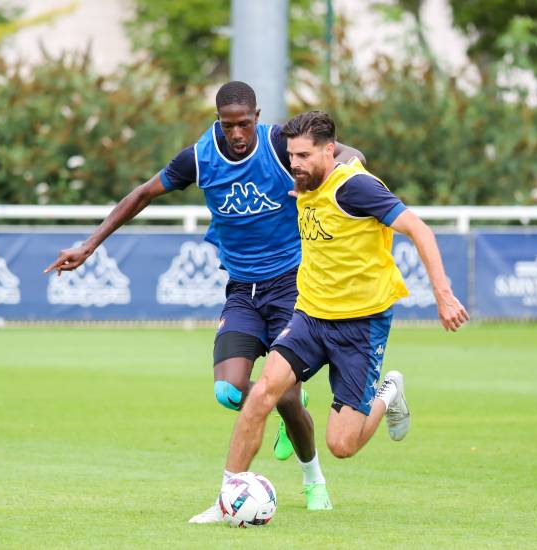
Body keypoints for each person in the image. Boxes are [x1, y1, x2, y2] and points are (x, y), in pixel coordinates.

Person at [44, 82, 365, 523]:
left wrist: (339, 181)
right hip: (241, 291)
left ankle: (313, 481)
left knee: (283, 391)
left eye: (244, 123)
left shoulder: (276, 144)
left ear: (257, 115)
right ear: (219, 120)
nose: (237, 134)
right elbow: (142, 193)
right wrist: (90, 244)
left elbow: (346, 154)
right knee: (229, 391)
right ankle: (284, 404)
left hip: (293, 285)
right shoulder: (199, 157)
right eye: (228, 125)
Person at [223, 111, 469, 486]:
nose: (295, 164)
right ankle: (228, 495)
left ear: (329, 151)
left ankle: (388, 392)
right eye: (291, 155)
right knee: (261, 395)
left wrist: (444, 295)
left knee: (341, 444)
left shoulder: (355, 188)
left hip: (361, 325)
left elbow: (418, 229)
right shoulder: (303, 181)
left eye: (304, 156)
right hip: (309, 316)